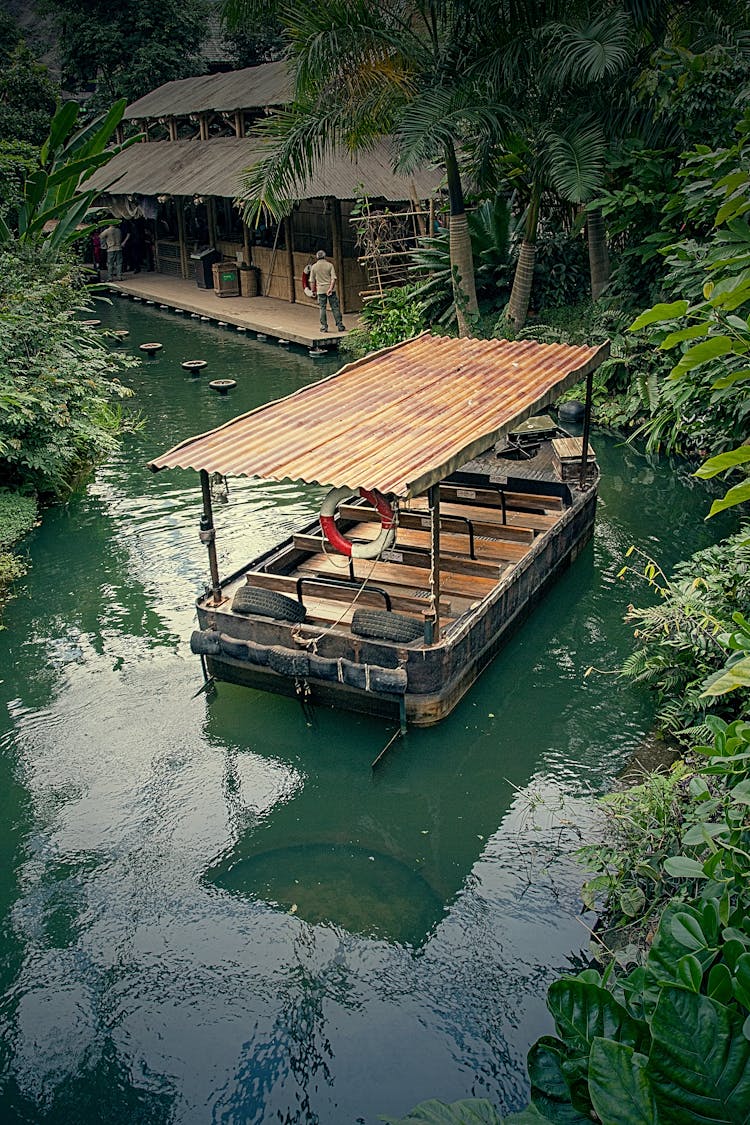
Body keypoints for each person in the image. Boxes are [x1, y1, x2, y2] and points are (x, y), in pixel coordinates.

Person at [309, 249, 345, 332]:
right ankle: (340, 325)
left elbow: (312, 280)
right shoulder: (330, 265)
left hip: (320, 290)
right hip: (330, 289)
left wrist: (313, 291)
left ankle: (324, 326)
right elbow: (333, 278)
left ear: (317, 257)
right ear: (324, 256)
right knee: (335, 307)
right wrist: (330, 289)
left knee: (322, 308)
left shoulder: (314, 267)